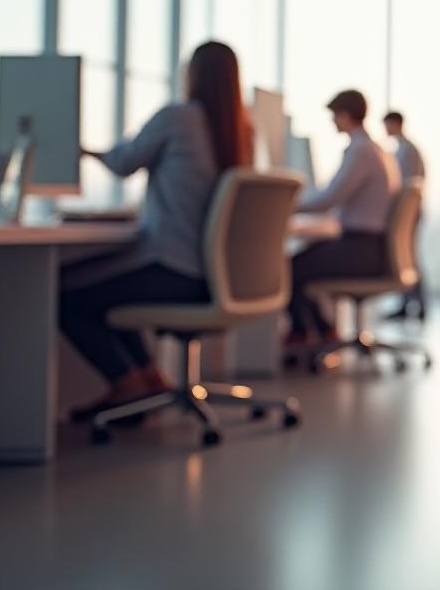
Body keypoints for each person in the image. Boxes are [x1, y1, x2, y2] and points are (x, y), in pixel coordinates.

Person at [61, 41, 252, 423]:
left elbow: (123, 161)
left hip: (173, 270)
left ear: (193, 74)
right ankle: (148, 376)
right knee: (106, 286)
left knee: (65, 290)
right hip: (213, 277)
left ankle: (125, 379)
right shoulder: (241, 131)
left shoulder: (179, 117)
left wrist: (82, 150)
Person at [286, 90, 398, 350]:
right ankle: (323, 330)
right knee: (303, 260)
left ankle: (305, 333)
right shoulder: (376, 150)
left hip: (361, 250)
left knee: (290, 268)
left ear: (345, 115)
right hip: (371, 248)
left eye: (334, 116)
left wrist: (289, 207)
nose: (332, 122)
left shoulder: (360, 151)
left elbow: (330, 198)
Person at [382, 110, 428, 322]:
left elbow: (402, 186)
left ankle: (418, 305)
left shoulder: (407, 152)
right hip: (410, 212)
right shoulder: (404, 150)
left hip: (407, 214)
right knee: (407, 257)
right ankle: (410, 305)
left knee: (408, 257)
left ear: (395, 124)